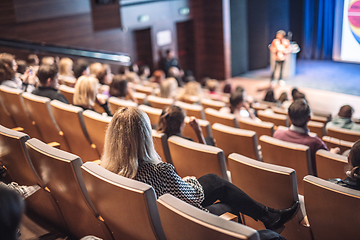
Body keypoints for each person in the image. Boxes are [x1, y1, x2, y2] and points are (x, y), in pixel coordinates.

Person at [100, 106, 298, 238]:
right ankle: (257, 227)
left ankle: (268, 216)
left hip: (151, 222)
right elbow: (192, 198)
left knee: (214, 180)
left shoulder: (108, 171)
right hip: (180, 225)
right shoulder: (159, 171)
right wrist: (188, 180)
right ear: (145, 136)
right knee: (233, 208)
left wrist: (180, 182)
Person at [273, 99, 339, 175]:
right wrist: (333, 153)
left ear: (289, 117)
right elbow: (327, 162)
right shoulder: (316, 143)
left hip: (283, 178)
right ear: (309, 118)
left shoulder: (277, 134)